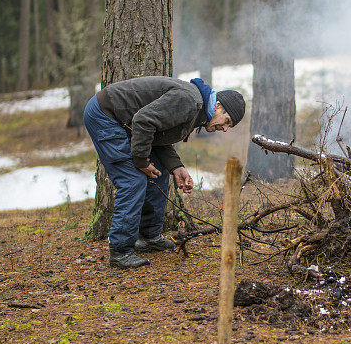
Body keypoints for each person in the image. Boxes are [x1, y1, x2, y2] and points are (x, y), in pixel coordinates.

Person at [83, 76, 245, 269]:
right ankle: (120, 251)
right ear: (218, 105)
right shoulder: (189, 102)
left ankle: (148, 237)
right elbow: (143, 121)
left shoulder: (198, 110)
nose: (225, 129)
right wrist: (141, 161)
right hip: (106, 116)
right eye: (227, 121)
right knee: (133, 180)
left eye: (229, 126)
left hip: (125, 122)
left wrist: (176, 167)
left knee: (159, 172)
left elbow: (157, 134)